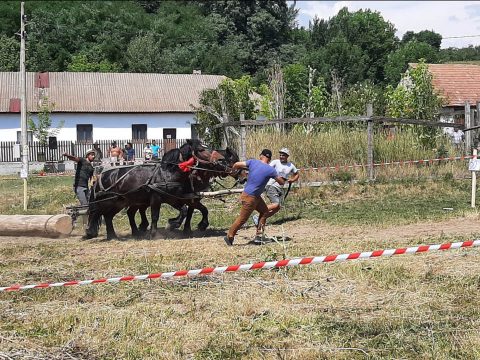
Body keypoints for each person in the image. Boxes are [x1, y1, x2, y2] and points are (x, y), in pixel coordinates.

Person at [224, 149, 286, 246]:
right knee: (242, 219)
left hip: (252, 196)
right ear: (269, 159)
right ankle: (229, 236)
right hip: (251, 197)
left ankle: (259, 236)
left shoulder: (252, 162)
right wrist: (287, 179)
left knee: (264, 211)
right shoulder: (271, 170)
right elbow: (281, 182)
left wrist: (233, 171)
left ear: (261, 156)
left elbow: (236, 164)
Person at [253, 147, 299, 226]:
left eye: (283, 155)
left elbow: (297, 174)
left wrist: (292, 180)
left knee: (277, 207)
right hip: (271, 185)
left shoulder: (291, 165)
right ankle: (258, 216)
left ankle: (261, 218)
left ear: (287, 156)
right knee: (276, 204)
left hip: (279, 188)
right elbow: (266, 169)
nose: (281, 156)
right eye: (280, 155)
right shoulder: (275, 162)